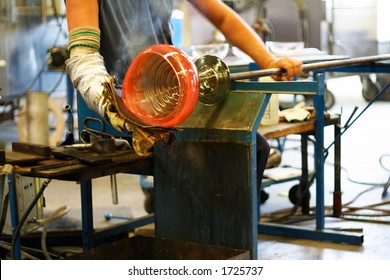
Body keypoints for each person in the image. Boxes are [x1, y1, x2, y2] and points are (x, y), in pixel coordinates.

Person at [65, 0, 303, 210]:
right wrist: (111, 106)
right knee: (208, 153)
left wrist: (269, 60)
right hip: (124, 101)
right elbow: (83, 60)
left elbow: (221, 15)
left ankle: (227, 239)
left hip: (173, 92)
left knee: (252, 146)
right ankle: (198, 237)